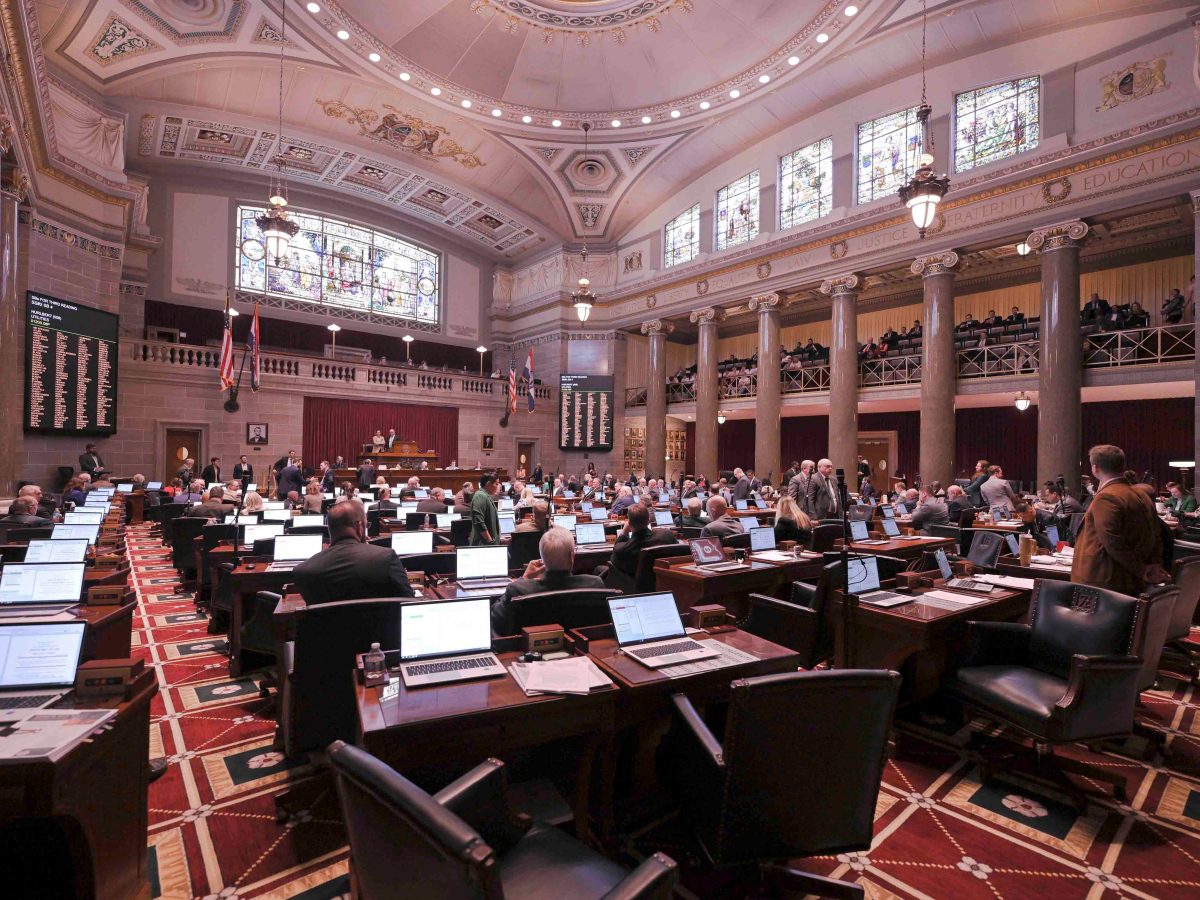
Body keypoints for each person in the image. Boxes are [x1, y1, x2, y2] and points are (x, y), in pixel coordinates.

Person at [1071, 444, 1167, 594]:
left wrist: (1141, 570)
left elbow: (1112, 542)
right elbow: (1155, 535)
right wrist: (1153, 565)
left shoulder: (1106, 497)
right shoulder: (1142, 495)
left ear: (1095, 468)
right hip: (1131, 580)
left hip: (1103, 582)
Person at [293, 500, 414, 605]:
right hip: (381, 631)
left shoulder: (303, 571)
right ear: (359, 527)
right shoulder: (386, 558)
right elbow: (409, 601)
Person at [490, 527, 606, 634]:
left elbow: (496, 618)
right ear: (571, 556)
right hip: (583, 649)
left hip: (530, 653)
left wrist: (524, 578)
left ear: (542, 558)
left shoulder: (518, 590)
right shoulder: (595, 584)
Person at [611, 504, 677, 580]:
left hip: (636, 587)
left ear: (629, 523)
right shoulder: (666, 535)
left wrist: (623, 533)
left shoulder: (622, 549)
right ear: (648, 521)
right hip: (664, 581)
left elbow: (614, 561)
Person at [470, 473, 501, 546]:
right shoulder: (480, 496)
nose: (497, 487)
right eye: (496, 484)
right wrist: (489, 540)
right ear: (488, 484)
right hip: (483, 545)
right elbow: (479, 522)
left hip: (488, 544)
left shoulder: (485, 496)